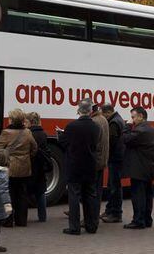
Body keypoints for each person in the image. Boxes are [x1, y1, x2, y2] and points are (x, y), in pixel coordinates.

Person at [58, 100, 100, 235]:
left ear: (79, 110)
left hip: (75, 165)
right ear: (90, 111)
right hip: (90, 165)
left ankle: (74, 227)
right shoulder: (96, 127)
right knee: (90, 196)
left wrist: (60, 135)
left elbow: (64, 143)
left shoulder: (71, 126)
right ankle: (92, 226)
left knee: (74, 196)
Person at [0, 109, 37, 227]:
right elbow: (34, 148)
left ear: (12, 119)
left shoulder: (6, 132)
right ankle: (21, 221)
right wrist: (26, 157)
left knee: (9, 194)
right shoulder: (27, 132)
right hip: (24, 167)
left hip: (10, 167)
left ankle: (8, 220)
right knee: (22, 195)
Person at [122, 106, 154, 229]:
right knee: (148, 195)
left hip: (139, 169)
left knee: (138, 195)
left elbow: (126, 139)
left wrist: (126, 127)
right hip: (149, 168)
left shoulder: (140, 130)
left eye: (133, 117)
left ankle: (138, 220)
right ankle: (147, 219)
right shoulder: (152, 130)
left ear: (141, 116)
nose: (132, 120)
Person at [100, 104, 125, 223]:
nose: (103, 117)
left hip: (115, 158)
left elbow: (111, 142)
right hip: (117, 158)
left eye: (103, 114)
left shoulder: (114, 123)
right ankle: (110, 210)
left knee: (114, 186)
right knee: (112, 185)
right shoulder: (117, 120)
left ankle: (116, 213)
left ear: (108, 112)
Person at [87, 100, 109, 225]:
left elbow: (93, 143)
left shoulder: (94, 122)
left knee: (92, 192)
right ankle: (94, 217)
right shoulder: (103, 120)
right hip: (102, 160)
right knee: (98, 191)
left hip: (95, 160)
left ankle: (91, 218)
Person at [25, 112, 49, 222]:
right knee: (40, 192)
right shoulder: (43, 133)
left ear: (30, 122)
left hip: (30, 165)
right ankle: (42, 216)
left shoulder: (28, 134)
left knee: (25, 191)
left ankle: (22, 216)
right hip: (41, 166)